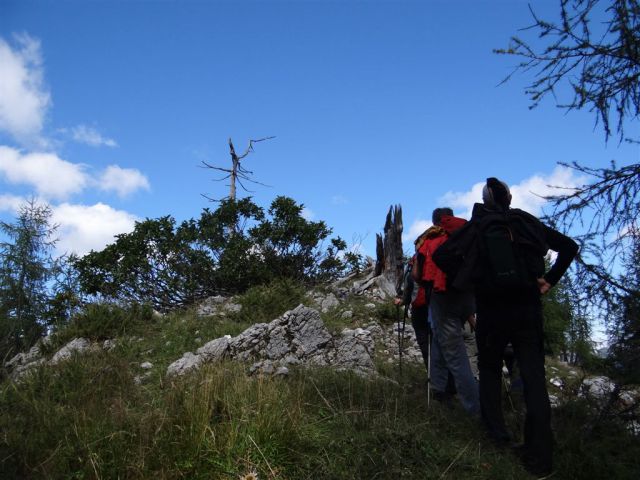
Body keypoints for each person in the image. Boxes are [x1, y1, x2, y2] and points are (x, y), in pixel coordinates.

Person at [433, 177, 578, 477]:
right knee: (534, 377)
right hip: (527, 307)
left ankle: (495, 437)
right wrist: (549, 280)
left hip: (491, 309)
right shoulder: (525, 221)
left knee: (489, 371)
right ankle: (540, 457)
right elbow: (569, 246)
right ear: (509, 198)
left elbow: (442, 256)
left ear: (486, 201)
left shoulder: (477, 226)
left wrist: (472, 279)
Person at [414, 208, 480, 414]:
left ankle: (475, 408)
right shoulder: (467, 234)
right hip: (468, 295)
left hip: (441, 298)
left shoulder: (429, 240)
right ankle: (438, 388)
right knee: (441, 342)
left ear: (435, 221)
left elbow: (417, 274)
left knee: (456, 355)